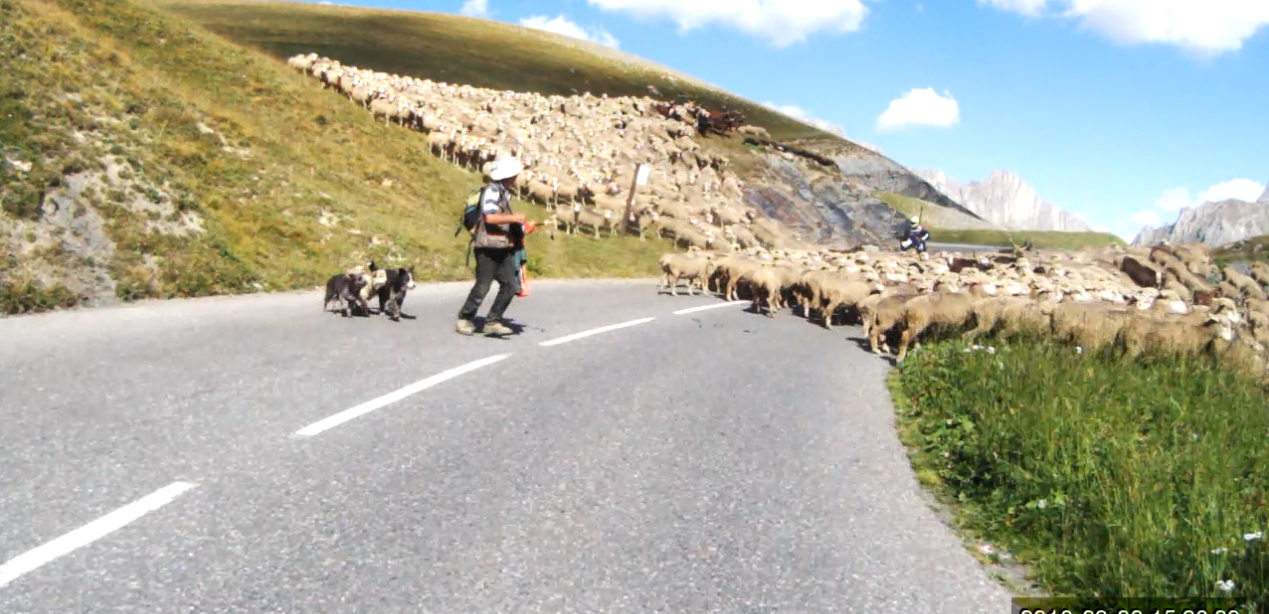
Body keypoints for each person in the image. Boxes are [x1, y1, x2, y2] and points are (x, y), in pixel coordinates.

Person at [456, 157, 527, 336]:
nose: (516, 178)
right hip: (487, 247)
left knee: (511, 285)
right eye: (515, 175)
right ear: (509, 176)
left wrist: (521, 227)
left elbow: (503, 221)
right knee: (483, 286)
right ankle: (465, 318)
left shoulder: (504, 193)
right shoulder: (492, 191)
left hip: (503, 247)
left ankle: (493, 321)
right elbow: (489, 217)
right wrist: (514, 218)